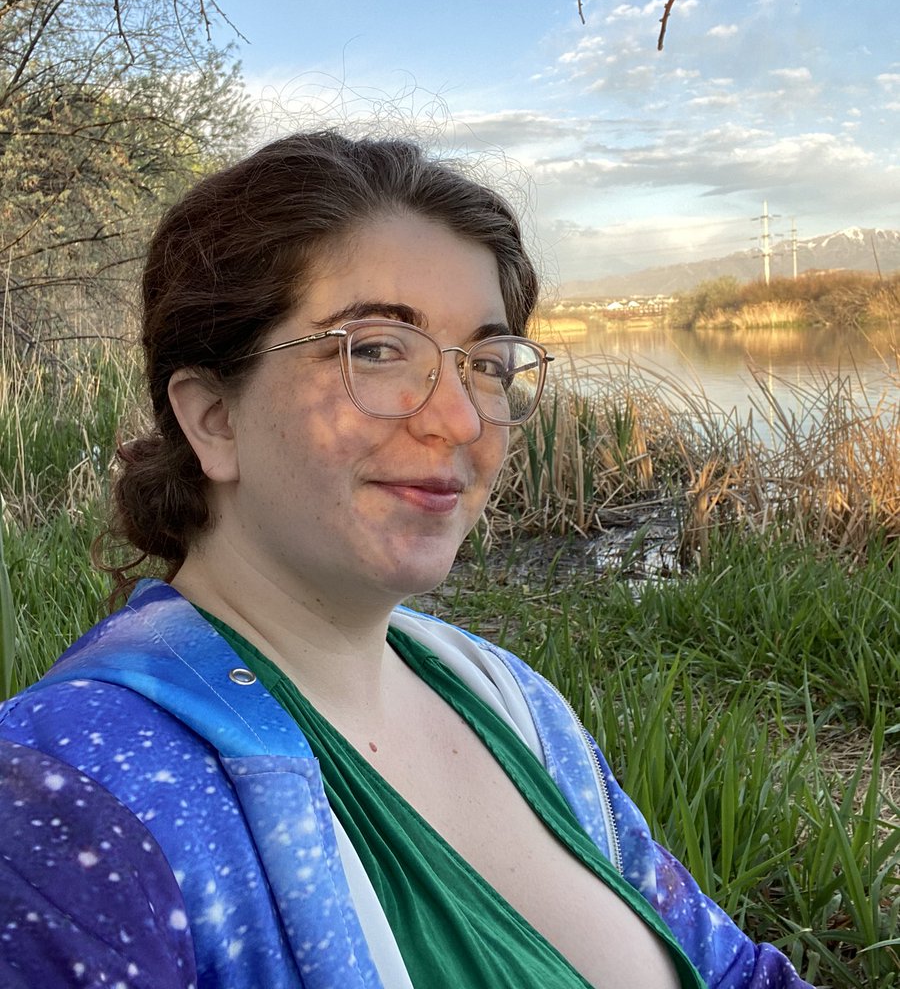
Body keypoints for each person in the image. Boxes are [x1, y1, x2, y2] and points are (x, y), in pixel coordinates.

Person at [0, 132, 813, 989]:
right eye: (379, 349)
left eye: (488, 365)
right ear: (213, 419)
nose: (460, 420)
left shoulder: (512, 702)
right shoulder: (67, 797)